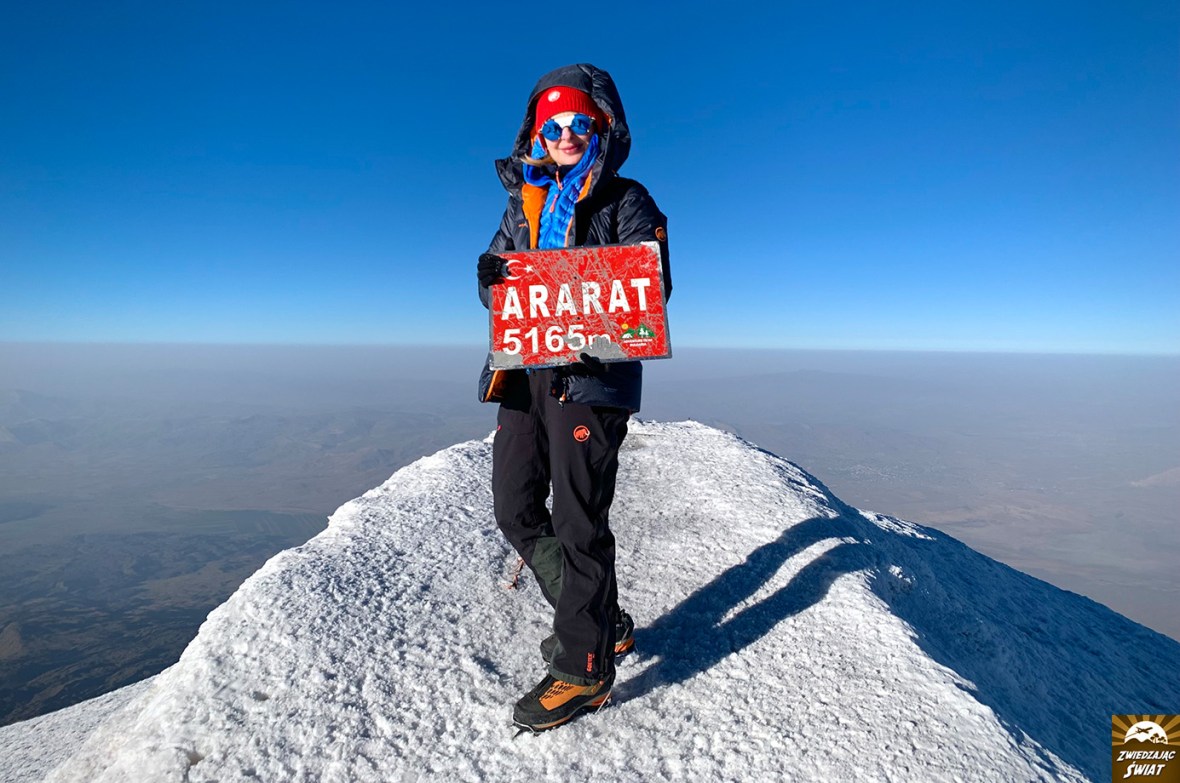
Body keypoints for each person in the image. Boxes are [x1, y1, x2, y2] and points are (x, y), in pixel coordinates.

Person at [475, 63, 671, 731]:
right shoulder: (523, 203)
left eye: (579, 124)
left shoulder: (625, 200)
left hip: (589, 378)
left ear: (602, 130)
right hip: (525, 375)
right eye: (552, 125)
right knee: (515, 507)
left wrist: (586, 311)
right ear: (536, 132)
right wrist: (490, 278)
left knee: (580, 521)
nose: (565, 135)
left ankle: (583, 667)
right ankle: (599, 618)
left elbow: (651, 286)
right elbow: (500, 291)